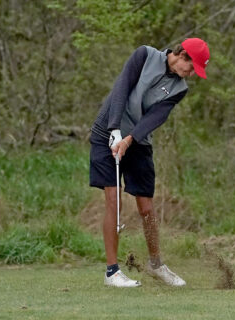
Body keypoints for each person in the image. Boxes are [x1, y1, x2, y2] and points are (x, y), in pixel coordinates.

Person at [89, 38, 210, 287]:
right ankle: (112, 272)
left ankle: (156, 264)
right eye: (191, 68)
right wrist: (114, 129)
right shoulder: (144, 55)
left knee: (146, 207)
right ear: (182, 55)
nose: (191, 74)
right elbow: (121, 88)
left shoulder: (180, 88)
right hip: (106, 134)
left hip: (138, 141)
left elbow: (156, 116)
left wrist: (130, 139)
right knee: (114, 200)